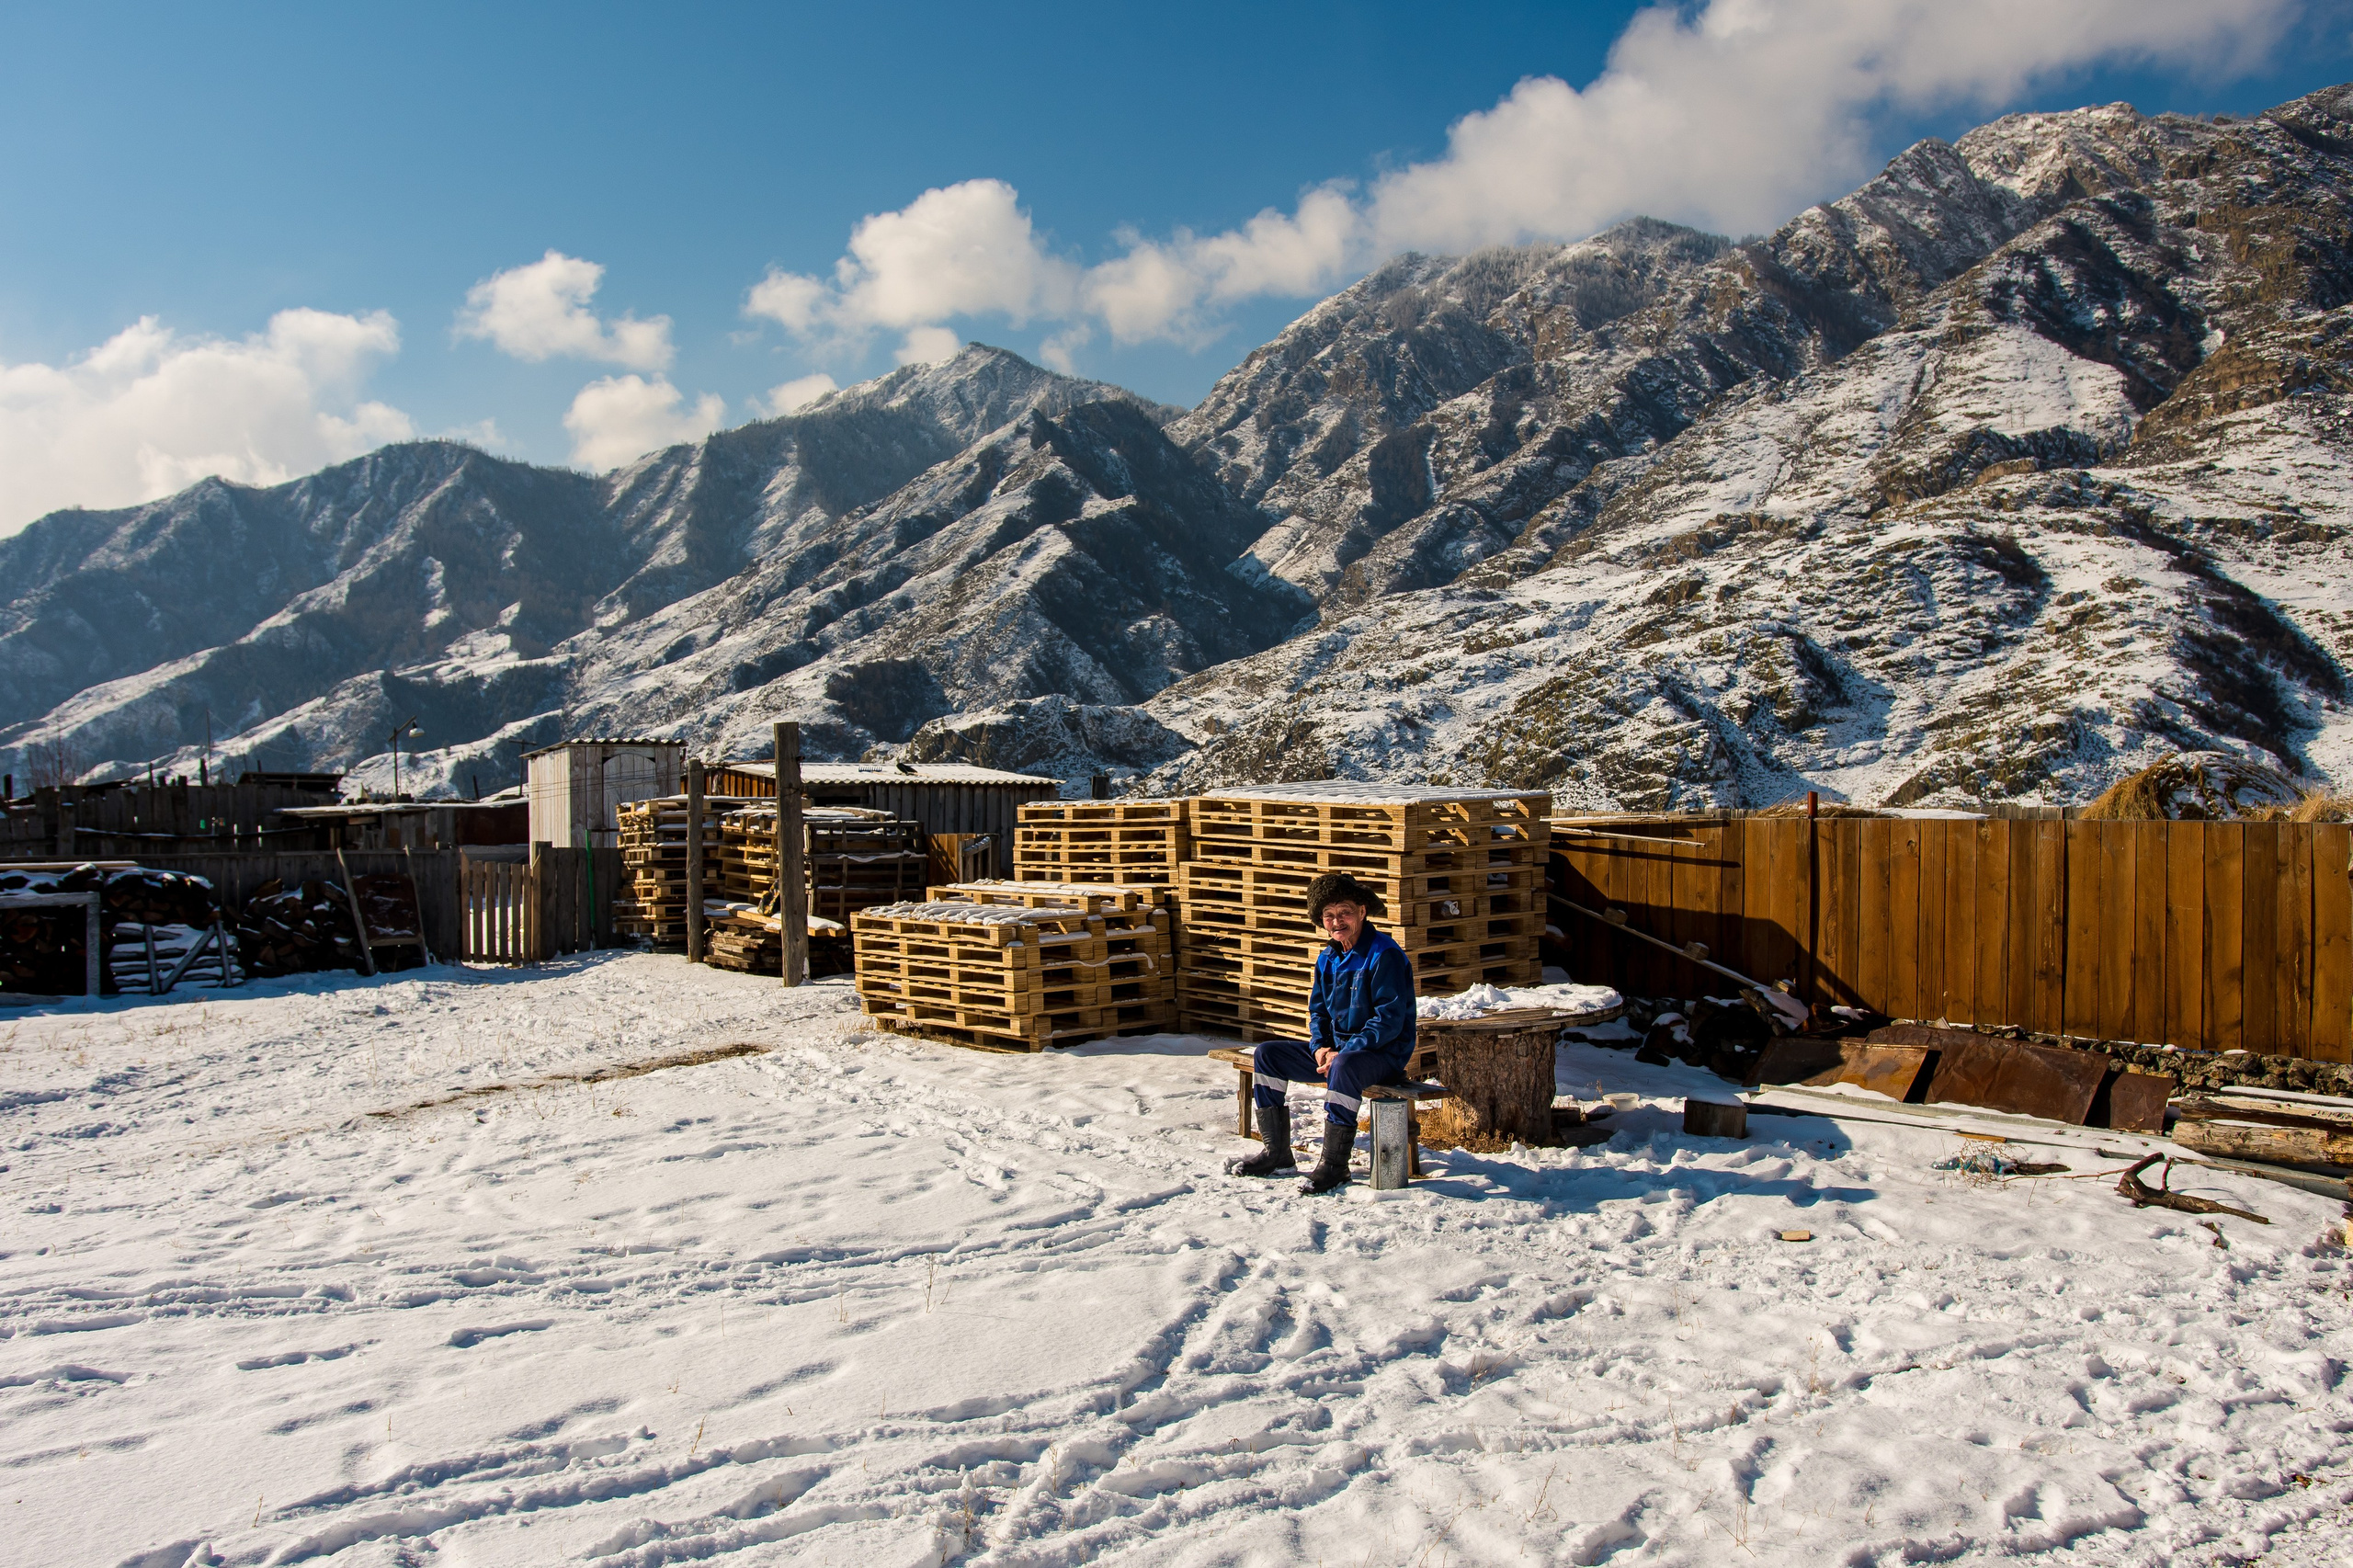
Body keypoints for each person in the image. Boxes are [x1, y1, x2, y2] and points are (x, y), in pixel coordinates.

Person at [1226, 871, 1416, 1194]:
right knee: (1268, 1054)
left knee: (1344, 1066)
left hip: (1381, 1055)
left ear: (1361, 911)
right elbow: (1319, 1013)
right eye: (1328, 915)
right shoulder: (1328, 958)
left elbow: (1389, 1020)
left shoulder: (1384, 954)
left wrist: (1345, 1051)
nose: (1336, 921)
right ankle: (1278, 1154)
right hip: (1338, 1053)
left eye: (1344, 911)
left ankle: (1334, 1166)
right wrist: (1320, 1047)